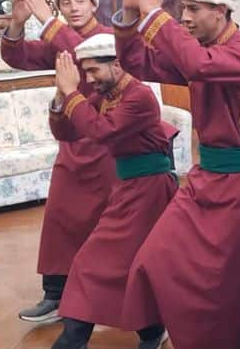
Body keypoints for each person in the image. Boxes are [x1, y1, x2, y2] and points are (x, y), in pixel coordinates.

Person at [114, 0, 240, 349]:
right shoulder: (202, 46)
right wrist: (132, 13)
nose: (184, 18)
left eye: (193, 9)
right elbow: (137, 61)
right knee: (156, 258)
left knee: (224, 283)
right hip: (205, 179)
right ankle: (164, 333)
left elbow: (195, 65)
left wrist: (154, 12)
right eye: (181, 8)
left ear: (221, 12)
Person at [47, 36, 177, 349]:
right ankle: (151, 331)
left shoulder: (140, 96)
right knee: (133, 263)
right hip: (128, 188)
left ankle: (73, 341)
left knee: (99, 262)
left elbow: (101, 132)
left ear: (117, 64)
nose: (89, 79)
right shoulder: (104, 93)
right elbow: (66, 132)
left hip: (151, 190)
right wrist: (60, 96)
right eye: (85, 73)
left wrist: (72, 92)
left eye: (93, 71)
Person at [1, 0, 116, 324]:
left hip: (109, 140)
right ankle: (55, 294)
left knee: (110, 223)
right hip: (71, 138)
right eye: (66, 4)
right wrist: (20, 21)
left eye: (81, 1)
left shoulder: (108, 37)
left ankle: (109, 297)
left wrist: (47, 20)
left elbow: (85, 51)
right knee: (59, 217)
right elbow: (18, 57)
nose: (74, 8)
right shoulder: (58, 40)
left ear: (94, 6)